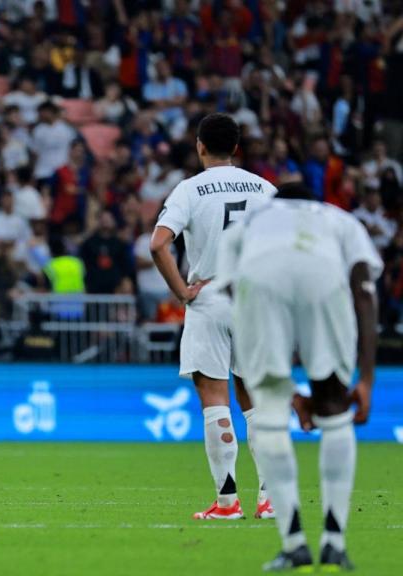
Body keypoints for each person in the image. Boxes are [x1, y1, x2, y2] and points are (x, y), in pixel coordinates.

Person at [215, 182, 382, 571]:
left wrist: (282, 386)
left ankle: (293, 546)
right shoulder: (340, 220)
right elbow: (364, 293)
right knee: (335, 410)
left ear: (276, 205)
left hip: (259, 281)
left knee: (270, 416)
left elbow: (230, 288)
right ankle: (334, 543)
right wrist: (367, 379)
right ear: (314, 202)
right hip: (324, 279)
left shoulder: (251, 222)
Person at [150, 113, 278, 520]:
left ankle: (227, 502)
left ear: (200, 146)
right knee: (257, 401)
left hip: (210, 299)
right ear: (237, 148)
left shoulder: (190, 189)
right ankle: (270, 499)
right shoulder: (266, 189)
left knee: (214, 399)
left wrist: (182, 292)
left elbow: (158, 245)